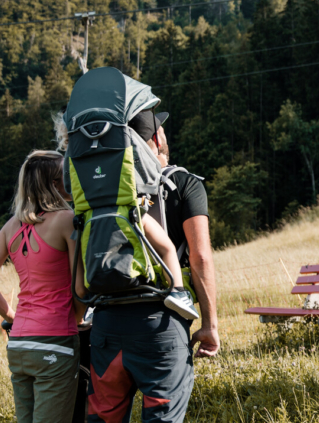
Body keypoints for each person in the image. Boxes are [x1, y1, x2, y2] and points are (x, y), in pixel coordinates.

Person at [84, 110, 219, 423]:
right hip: (160, 326)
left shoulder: (103, 194)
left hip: (106, 324)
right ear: (157, 138)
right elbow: (200, 257)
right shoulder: (186, 184)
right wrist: (210, 324)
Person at [0, 150, 83, 423]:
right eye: (65, 176)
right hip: (55, 343)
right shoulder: (66, 219)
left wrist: (10, 314)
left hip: (19, 344)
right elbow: (80, 288)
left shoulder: (12, 225)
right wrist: (78, 317)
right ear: (54, 183)